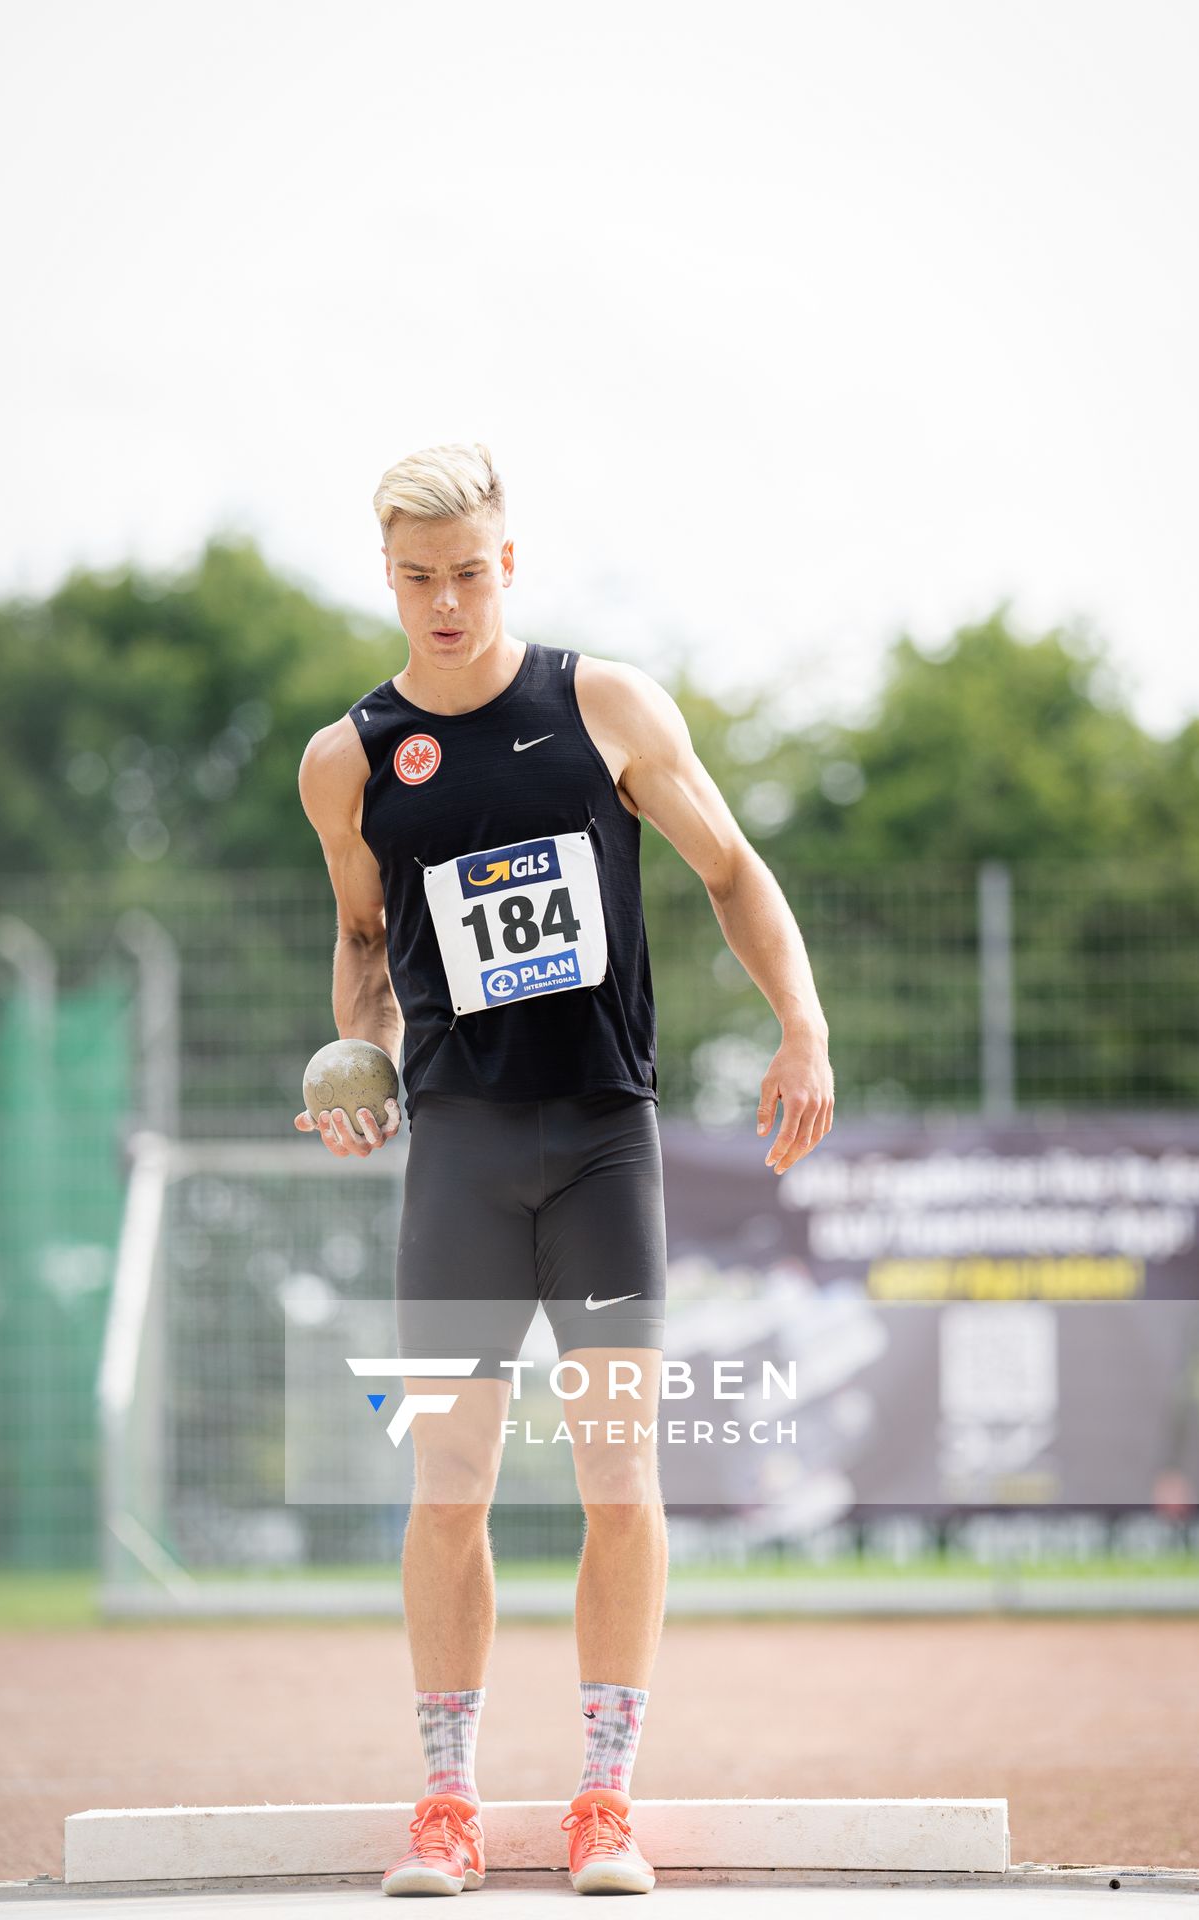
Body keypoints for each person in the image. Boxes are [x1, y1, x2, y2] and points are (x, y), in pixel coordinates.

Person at [294, 441, 834, 1896]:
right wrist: (359, 1066)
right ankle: (449, 1802)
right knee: (450, 1489)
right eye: (417, 580)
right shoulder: (346, 761)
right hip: (458, 1156)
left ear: (508, 561)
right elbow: (362, 946)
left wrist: (803, 1024)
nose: (446, 602)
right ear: (388, 578)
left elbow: (729, 868)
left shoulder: (603, 704)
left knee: (617, 1479)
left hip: (603, 1135)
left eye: (469, 572)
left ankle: (607, 1802)